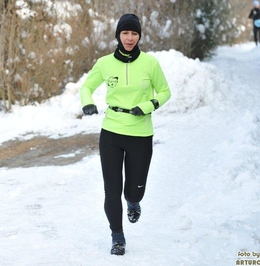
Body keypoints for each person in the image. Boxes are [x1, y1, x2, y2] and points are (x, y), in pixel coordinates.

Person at [79, 13, 171, 256]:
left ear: (139, 35)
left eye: (134, 33)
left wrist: (149, 106)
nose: (129, 38)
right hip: (111, 132)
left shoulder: (150, 63)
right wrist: (87, 102)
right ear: (118, 35)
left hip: (140, 133)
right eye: (125, 33)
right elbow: (87, 86)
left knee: (134, 189)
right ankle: (117, 236)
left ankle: (133, 201)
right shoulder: (105, 63)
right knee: (111, 188)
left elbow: (164, 91)